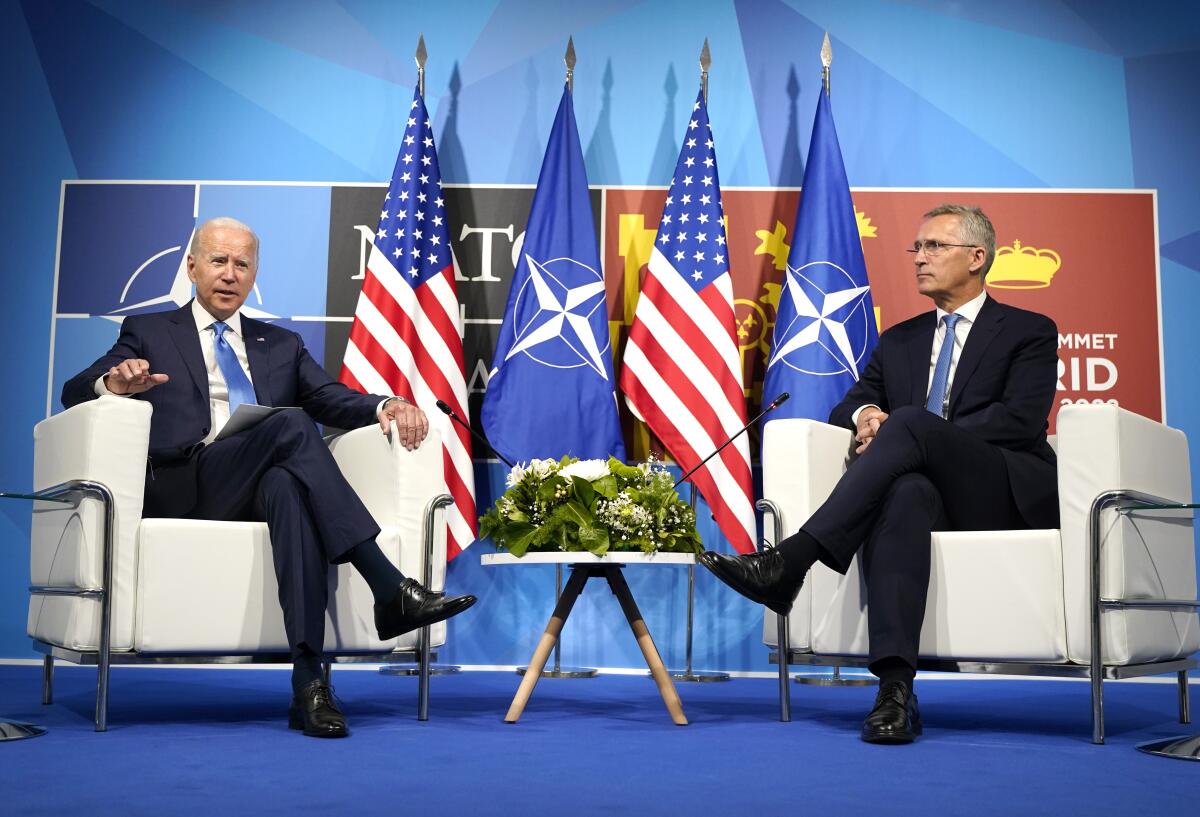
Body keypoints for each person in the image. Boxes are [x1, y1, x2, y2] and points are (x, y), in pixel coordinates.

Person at [62, 216, 476, 739]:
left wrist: (387, 403)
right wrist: (115, 383)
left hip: (256, 484)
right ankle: (387, 584)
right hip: (187, 483)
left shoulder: (280, 342)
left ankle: (309, 685)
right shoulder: (148, 331)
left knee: (288, 485)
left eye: (242, 264)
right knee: (290, 422)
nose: (230, 274)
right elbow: (74, 391)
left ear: (254, 273)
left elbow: (330, 398)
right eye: (218, 261)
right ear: (192, 267)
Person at [700, 204, 1059, 744]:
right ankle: (895, 691)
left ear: (977, 257)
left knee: (913, 424)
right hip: (928, 491)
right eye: (916, 247)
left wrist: (917, 431)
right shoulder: (900, 340)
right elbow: (850, 406)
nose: (919, 258)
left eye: (934, 246)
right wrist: (871, 418)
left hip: (1000, 487)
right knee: (906, 492)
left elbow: (1019, 420)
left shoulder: (1028, 331)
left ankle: (791, 561)